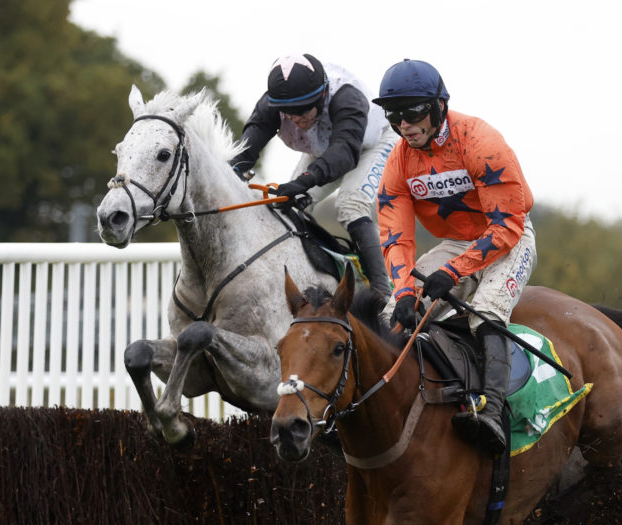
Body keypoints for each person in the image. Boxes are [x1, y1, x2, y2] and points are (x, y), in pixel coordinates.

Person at [371, 59, 537, 455]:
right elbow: (395, 237)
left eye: (413, 113)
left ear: (439, 106)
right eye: (394, 116)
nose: (404, 125)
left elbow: (505, 227)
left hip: (508, 239)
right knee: (393, 314)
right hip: (455, 244)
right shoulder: (399, 160)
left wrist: (452, 270)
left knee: (485, 312)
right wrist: (406, 290)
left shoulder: (481, 142)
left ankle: (492, 413)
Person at [229, 53, 397, 297]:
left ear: (322, 95)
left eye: (302, 109)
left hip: (371, 144)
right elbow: (245, 151)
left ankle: (383, 293)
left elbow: (345, 152)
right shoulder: (272, 104)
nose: (296, 118)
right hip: (325, 147)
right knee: (289, 208)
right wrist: (231, 172)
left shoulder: (347, 96)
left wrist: (303, 182)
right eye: (288, 112)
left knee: (350, 206)